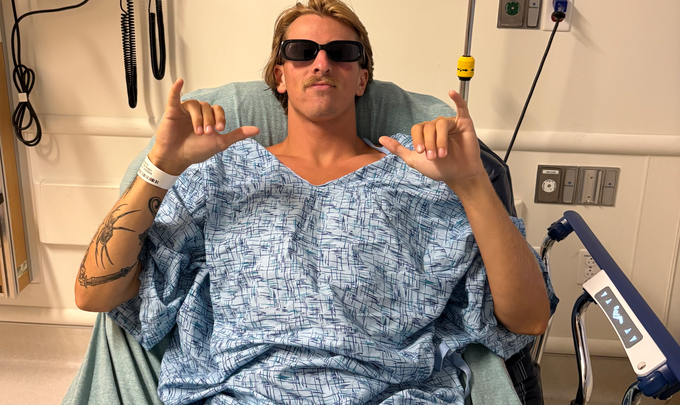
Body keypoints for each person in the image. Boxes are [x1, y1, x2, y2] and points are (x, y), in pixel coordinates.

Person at [75, 0, 556, 403]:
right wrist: (159, 167)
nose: (322, 64)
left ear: (362, 79)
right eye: (302, 52)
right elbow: (93, 295)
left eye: (342, 53)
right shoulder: (219, 172)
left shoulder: (424, 175)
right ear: (280, 77)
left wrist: (472, 184)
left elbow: (530, 318)